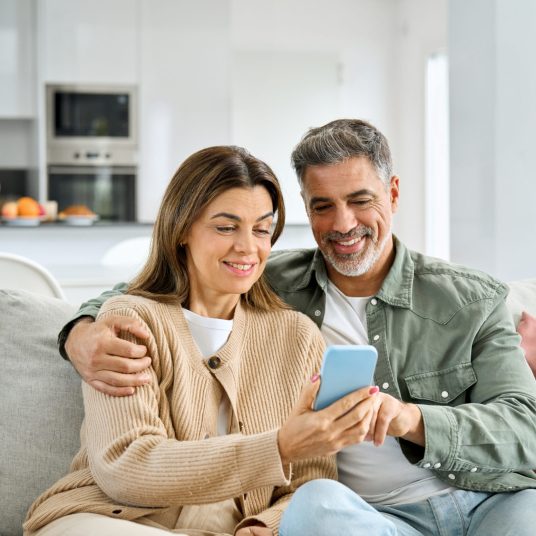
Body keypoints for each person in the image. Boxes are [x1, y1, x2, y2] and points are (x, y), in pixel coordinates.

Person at [60, 120, 536, 535]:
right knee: (315, 507)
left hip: (486, 499)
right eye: (322, 205)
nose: (343, 223)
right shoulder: (263, 279)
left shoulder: (472, 298)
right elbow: (160, 283)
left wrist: (412, 420)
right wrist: (80, 331)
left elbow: (527, 429)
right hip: (365, 517)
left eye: (360, 200)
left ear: (392, 193)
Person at [24, 145, 385, 536]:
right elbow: (127, 469)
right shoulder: (132, 322)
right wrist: (277, 446)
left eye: (262, 229)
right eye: (226, 227)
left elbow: (311, 482)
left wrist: (269, 523)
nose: (248, 247)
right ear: (182, 231)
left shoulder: (297, 337)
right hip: (111, 521)